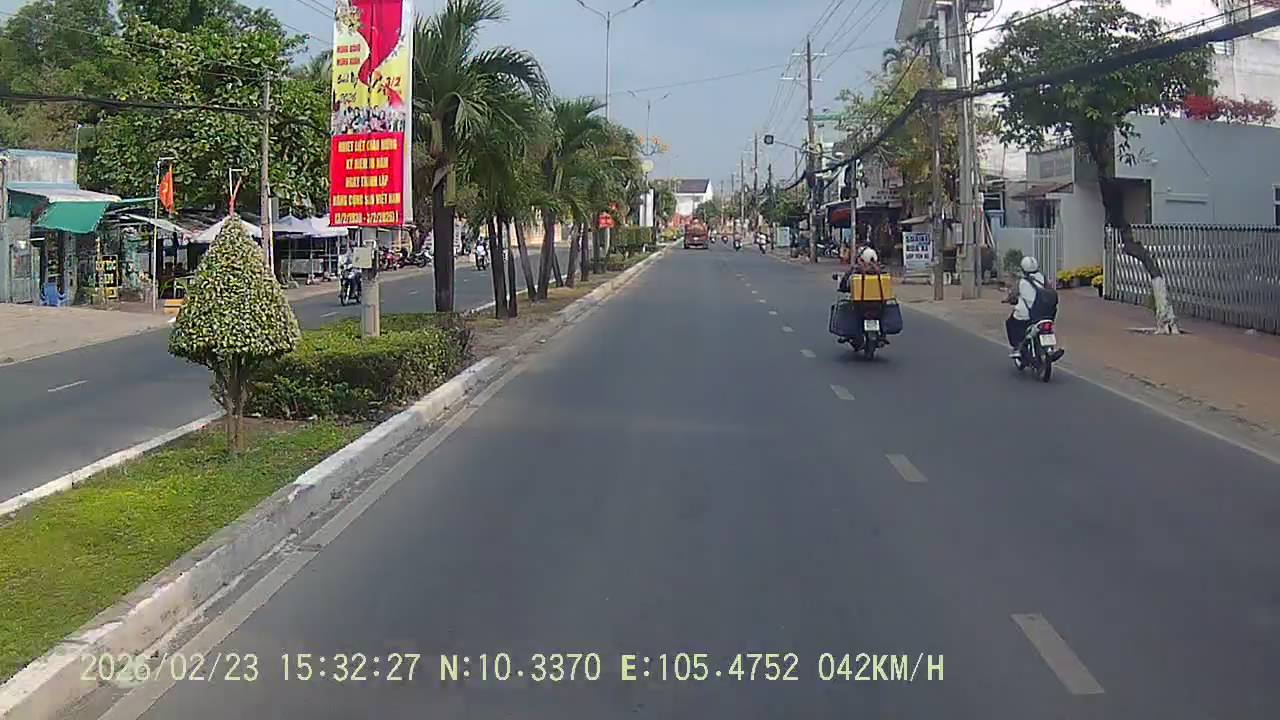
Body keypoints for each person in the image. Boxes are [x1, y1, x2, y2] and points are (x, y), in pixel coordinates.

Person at [1005, 255, 1059, 358]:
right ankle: (1049, 349)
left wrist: (1008, 299)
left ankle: (1017, 347)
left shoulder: (1022, 281)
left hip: (1030, 315)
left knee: (1011, 322)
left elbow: (1013, 295)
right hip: (1047, 313)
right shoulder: (1043, 278)